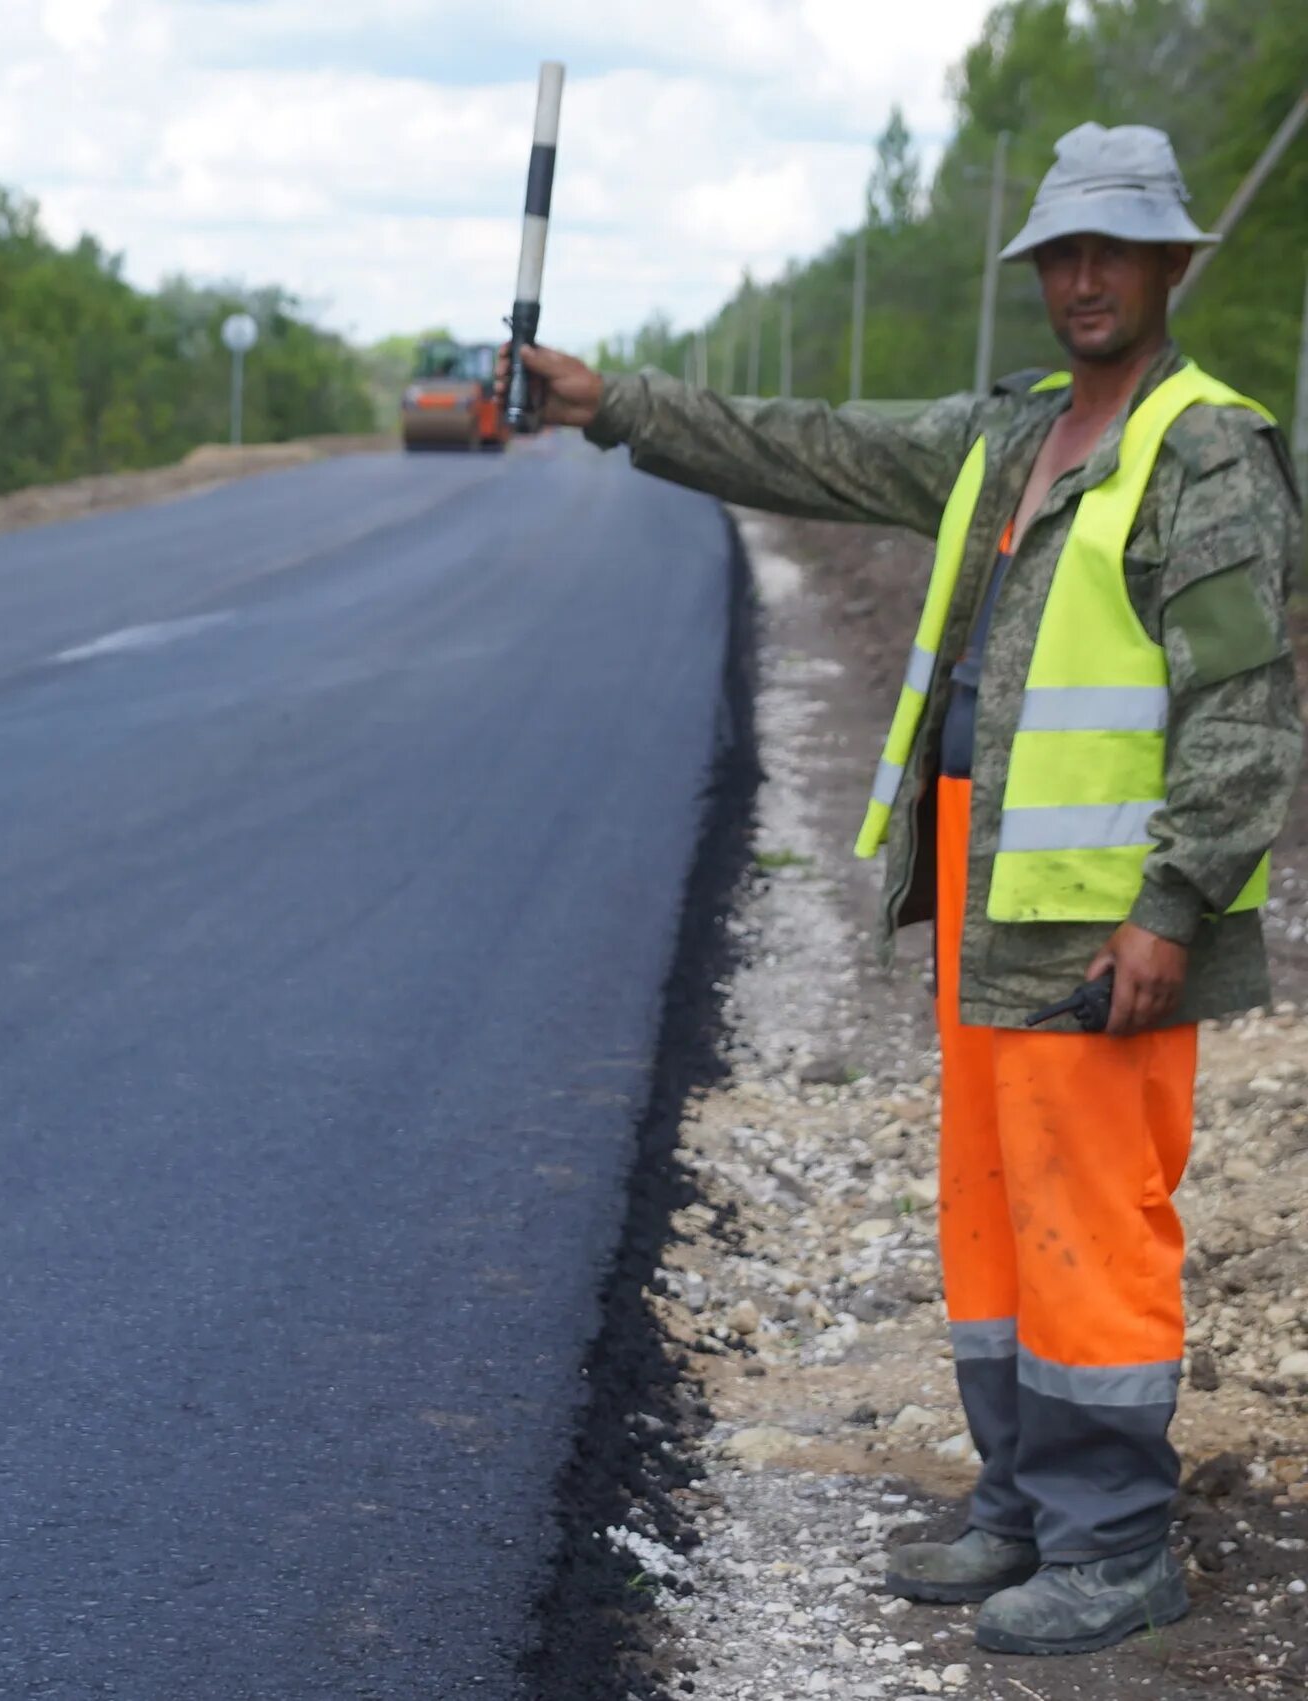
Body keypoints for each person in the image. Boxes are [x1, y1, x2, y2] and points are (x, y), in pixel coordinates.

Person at [506, 123, 1302, 1656]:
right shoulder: (1010, 440)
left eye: (1111, 251)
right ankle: (1021, 1502)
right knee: (998, 1223)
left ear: (1170, 263)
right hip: (987, 905)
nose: (1083, 278)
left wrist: (1173, 905)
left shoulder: (1204, 450)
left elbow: (1246, 711)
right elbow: (806, 444)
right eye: (1061, 254)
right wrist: (618, 407)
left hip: (1105, 929)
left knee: (1094, 1228)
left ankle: (1118, 1541)